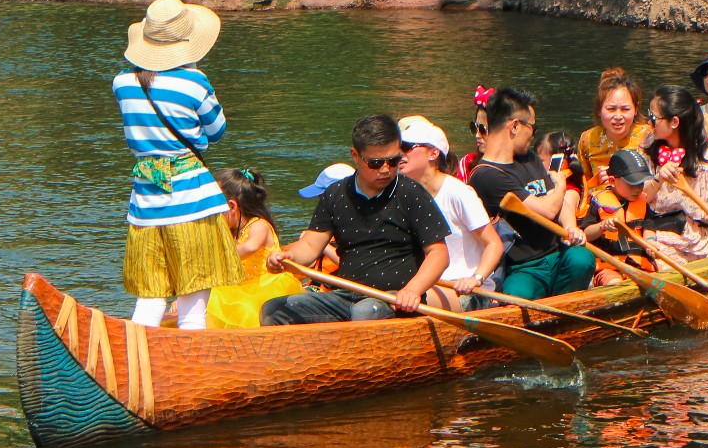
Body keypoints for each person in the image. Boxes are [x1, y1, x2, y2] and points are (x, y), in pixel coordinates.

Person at [113, 0, 241, 330]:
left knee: (150, 296)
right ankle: (193, 370)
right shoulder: (195, 82)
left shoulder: (122, 83)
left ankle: (138, 356)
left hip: (145, 201)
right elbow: (217, 131)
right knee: (193, 304)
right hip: (192, 199)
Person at [261, 114, 450, 324]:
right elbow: (309, 247)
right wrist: (288, 258)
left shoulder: (412, 193)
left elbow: (439, 254)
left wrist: (412, 290)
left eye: (394, 161)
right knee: (274, 310)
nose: (386, 169)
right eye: (376, 163)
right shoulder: (335, 194)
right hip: (346, 295)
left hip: (393, 299)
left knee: (366, 312)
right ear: (355, 155)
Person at [469, 87, 597, 300]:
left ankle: (562, 311)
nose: (533, 135)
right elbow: (547, 210)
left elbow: (558, 203)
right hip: (522, 267)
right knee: (517, 297)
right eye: (532, 127)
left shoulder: (529, 158)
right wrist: (562, 185)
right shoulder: (486, 175)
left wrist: (570, 226)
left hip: (557, 254)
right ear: (515, 126)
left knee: (582, 259)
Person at [397, 115, 504, 310]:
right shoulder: (405, 195)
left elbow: (494, 244)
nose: (399, 154)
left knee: (404, 300)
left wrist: (476, 279)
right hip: (428, 285)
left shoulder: (458, 192)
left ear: (433, 153)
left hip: (467, 291)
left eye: (407, 147)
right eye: (398, 148)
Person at [635, 85, 708, 261]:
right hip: (655, 235)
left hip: (697, 240)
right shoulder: (648, 146)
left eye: (654, 118)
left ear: (674, 122)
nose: (648, 123)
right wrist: (659, 179)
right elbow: (641, 198)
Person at [205, 169, 305, 329]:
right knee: (213, 294)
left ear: (232, 206)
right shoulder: (231, 233)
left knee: (245, 308)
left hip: (267, 286)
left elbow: (250, 247)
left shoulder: (259, 224)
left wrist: (216, 255)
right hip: (242, 287)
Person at [583, 148, 664, 285]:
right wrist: (601, 227)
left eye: (641, 183)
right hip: (611, 267)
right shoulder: (598, 202)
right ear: (612, 181)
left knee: (666, 272)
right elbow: (586, 234)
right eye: (632, 183)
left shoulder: (642, 203)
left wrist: (650, 241)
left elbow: (648, 227)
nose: (638, 188)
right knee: (614, 282)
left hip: (639, 264)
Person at [575, 67, 651, 182]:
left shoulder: (649, 137)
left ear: (635, 109)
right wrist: (597, 181)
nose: (618, 116)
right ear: (599, 110)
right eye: (611, 109)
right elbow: (582, 185)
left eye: (625, 109)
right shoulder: (588, 140)